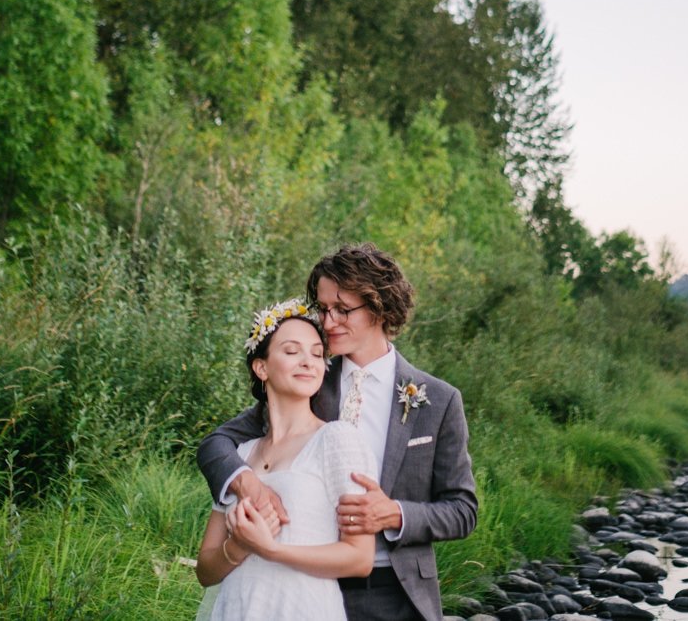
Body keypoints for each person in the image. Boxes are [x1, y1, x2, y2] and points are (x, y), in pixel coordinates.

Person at [198, 244, 478, 621]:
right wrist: (247, 483)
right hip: (306, 587)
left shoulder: (439, 401)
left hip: (394, 590)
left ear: (379, 306)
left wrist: (394, 514)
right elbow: (217, 443)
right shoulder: (310, 381)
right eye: (324, 309)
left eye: (342, 310)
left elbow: (462, 510)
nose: (328, 323)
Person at [194, 298, 377, 621]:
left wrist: (271, 549)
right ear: (261, 367)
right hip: (236, 609)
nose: (308, 361)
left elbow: (359, 559)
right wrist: (238, 548)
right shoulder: (240, 455)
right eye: (292, 351)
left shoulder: (337, 440)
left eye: (317, 354)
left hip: (301, 608)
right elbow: (206, 571)